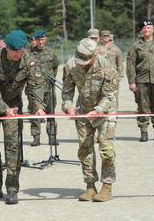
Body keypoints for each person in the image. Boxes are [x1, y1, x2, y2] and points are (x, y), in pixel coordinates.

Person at [0, 30, 45, 205]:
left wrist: (38, 107)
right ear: (6, 48)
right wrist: (3, 108)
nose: (19, 55)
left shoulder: (28, 60)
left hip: (14, 107)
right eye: (15, 53)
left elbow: (35, 86)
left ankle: (12, 188)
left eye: (21, 51)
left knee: (13, 146)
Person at [62, 38, 119, 202]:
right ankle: (90, 186)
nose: (83, 63)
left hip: (105, 111)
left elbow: (110, 95)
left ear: (94, 55)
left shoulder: (106, 67)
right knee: (84, 149)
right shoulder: (71, 65)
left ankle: (107, 187)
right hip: (83, 111)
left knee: (106, 149)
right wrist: (68, 106)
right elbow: (67, 91)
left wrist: (99, 110)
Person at [28, 30, 59, 146]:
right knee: (35, 111)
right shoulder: (29, 54)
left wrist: (51, 77)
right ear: (35, 40)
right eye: (38, 40)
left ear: (45, 40)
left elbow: (55, 67)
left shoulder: (51, 53)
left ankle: (52, 136)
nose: (40, 42)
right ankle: (36, 137)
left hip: (49, 87)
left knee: (51, 112)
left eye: (42, 39)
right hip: (35, 88)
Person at [98, 30, 124, 106]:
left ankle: (113, 115)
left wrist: (120, 75)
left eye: (107, 36)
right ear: (101, 37)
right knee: (100, 96)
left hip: (112, 77)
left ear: (109, 37)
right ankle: (102, 114)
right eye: (103, 36)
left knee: (113, 95)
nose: (105, 37)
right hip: (99, 76)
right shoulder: (97, 48)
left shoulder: (116, 49)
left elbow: (120, 63)